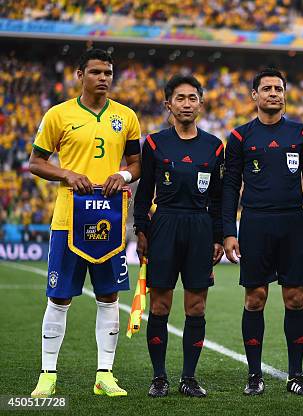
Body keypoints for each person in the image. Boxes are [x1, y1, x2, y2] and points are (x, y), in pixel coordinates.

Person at [29, 48, 141, 397]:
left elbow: (137, 164)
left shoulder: (126, 117)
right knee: (59, 298)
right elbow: (36, 162)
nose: (103, 78)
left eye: (108, 72)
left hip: (109, 221)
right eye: (95, 72)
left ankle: (104, 374)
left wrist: (122, 174)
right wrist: (65, 174)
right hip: (68, 221)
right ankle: (48, 374)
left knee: (109, 297)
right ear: (80, 75)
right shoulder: (59, 115)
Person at [223, 68, 303, 396]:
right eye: (266, 88)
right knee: (255, 298)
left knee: (295, 299)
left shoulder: (301, 133)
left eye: (278, 88)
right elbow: (229, 187)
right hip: (255, 222)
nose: (273, 93)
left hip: (294, 222)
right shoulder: (240, 137)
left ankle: (296, 373)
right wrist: (228, 230)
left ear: (285, 94)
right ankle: (255, 374)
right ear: (254, 95)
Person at [133, 75, 224, 398]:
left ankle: (189, 377)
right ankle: (159, 377)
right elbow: (144, 193)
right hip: (165, 225)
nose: (187, 104)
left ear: (201, 103)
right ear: (168, 104)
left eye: (192, 98)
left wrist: (218, 235)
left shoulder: (214, 146)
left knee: (196, 307)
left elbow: (217, 196)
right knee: (159, 306)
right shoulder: (155, 143)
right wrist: (140, 229)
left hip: (199, 227)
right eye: (180, 98)